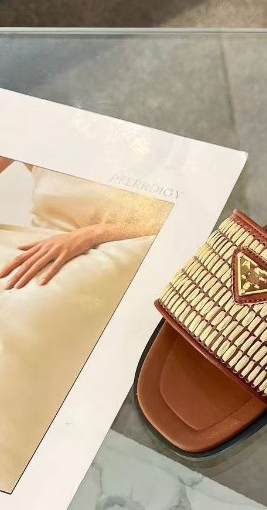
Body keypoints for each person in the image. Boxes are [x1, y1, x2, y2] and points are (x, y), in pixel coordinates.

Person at [0, 158, 170, 492]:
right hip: (41, 241)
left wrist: (92, 234)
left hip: (123, 240)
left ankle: (17, 476)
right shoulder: (40, 130)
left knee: (15, 320)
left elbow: (187, 210)